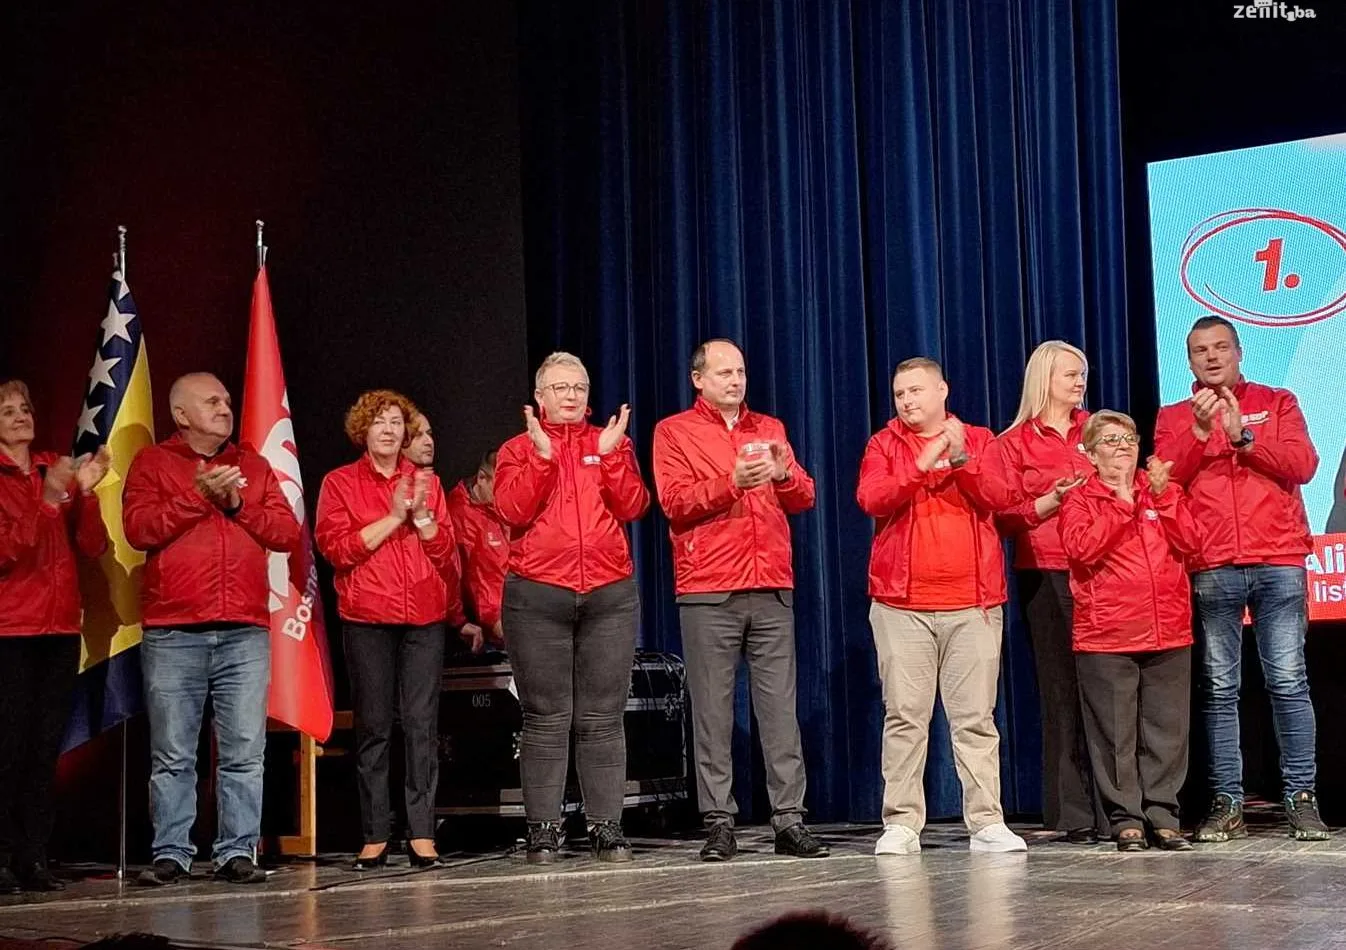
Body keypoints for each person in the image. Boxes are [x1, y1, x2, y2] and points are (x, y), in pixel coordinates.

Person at [1154, 315, 1329, 841]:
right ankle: (1227, 801)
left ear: (1238, 351)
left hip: (1278, 559)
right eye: (1200, 350)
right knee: (1219, 687)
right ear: (1189, 361)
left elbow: (1303, 465)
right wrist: (1199, 435)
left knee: (1288, 681)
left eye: (1220, 347)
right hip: (1213, 564)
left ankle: (1301, 798)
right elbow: (1163, 479)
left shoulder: (1278, 401)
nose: (1211, 357)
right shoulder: (1174, 415)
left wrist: (1243, 437)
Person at [652, 339, 828, 861]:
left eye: (741, 372)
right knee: (713, 711)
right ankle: (718, 822)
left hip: (770, 585)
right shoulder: (674, 431)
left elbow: (805, 496)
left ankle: (789, 820)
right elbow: (675, 502)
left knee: (779, 711)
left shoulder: (768, 428)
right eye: (724, 372)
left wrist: (784, 475)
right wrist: (730, 483)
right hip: (709, 588)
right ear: (698, 379)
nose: (736, 380)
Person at [124, 373, 299, 885]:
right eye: (212, 401)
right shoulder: (153, 462)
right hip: (174, 630)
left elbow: (286, 532)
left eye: (226, 400)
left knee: (244, 751)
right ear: (181, 415)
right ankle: (171, 852)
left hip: (244, 630)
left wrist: (236, 504)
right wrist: (198, 496)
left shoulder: (253, 466)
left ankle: (237, 851)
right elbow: (139, 529)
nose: (225, 408)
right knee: (173, 753)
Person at [856, 358, 1026, 854]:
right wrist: (919, 465)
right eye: (900, 393)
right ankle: (902, 824)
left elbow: (1001, 496)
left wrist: (959, 458)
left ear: (942, 390)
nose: (907, 401)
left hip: (972, 604)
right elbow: (872, 498)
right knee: (905, 717)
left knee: (974, 719)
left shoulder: (980, 440)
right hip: (902, 605)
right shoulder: (883, 444)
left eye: (916, 390)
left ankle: (987, 822)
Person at [494, 352, 649, 863]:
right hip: (538, 595)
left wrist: (611, 456)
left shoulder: (610, 443)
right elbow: (510, 509)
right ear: (540, 397)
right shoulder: (518, 449)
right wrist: (542, 458)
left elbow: (634, 506)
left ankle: (606, 826)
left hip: (608, 594)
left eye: (578, 387)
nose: (571, 395)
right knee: (545, 716)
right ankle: (543, 828)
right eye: (559, 388)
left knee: (603, 717)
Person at [316, 391, 462, 869]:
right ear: (363, 430)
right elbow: (335, 549)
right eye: (379, 422)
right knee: (374, 728)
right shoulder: (340, 483)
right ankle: (375, 833)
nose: (388, 430)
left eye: (396, 423)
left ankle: (422, 832)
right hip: (368, 618)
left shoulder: (427, 483)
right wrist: (394, 517)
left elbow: (447, 555)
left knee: (421, 726)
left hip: (424, 616)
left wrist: (422, 519)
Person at [1058, 411, 1198, 852]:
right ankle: (1126, 819)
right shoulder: (1080, 499)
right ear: (1090, 454)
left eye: (1129, 439)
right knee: (1115, 736)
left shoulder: (1163, 490)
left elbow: (1192, 543)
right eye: (1110, 440)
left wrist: (1166, 497)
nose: (1122, 447)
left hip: (1168, 629)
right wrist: (1120, 504)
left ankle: (1164, 815)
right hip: (1108, 634)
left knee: (1166, 732)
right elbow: (1082, 549)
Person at [0, 380, 110, 892]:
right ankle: (2, 856)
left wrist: (85, 493)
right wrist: (45, 503)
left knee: (45, 749)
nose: (20, 416)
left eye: (24, 408)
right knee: (8, 747)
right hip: (10, 631)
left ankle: (33, 856)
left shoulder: (53, 468)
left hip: (60, 628)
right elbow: (5, 553)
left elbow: (92, 545)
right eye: (7, 411)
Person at [995, 341, 1100, 842]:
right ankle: (1072, 811)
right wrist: (1048, 503)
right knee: (1061, 691)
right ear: (1044, 380)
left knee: (1104, 691)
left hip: (1101, 570)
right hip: (1046, 571)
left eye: (1082, 374)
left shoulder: (1096, 429)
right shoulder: (1013, 443)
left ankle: (1115, 807)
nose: (1080, 382)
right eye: (1070, 375)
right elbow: (1003, 516)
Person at [446, 450, 508, 655]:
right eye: (501, 486)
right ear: (482, 478)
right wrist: (495, 620)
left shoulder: (512, 507)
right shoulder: (461, 515)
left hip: (523, 611)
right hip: (492, 625)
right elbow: (475, 580)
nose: (508, 495)